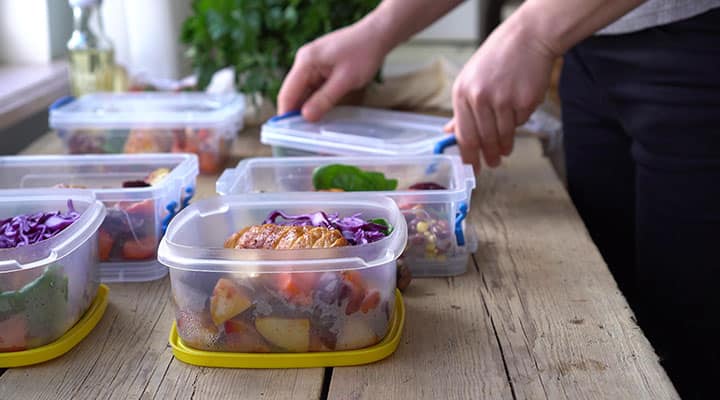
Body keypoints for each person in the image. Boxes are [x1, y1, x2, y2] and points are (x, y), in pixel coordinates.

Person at [277, 0, 720, 397]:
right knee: (620, 306)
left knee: (689, 332)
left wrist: (534, 29)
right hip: (586, 47)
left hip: (697, 46)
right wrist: (378, 29)